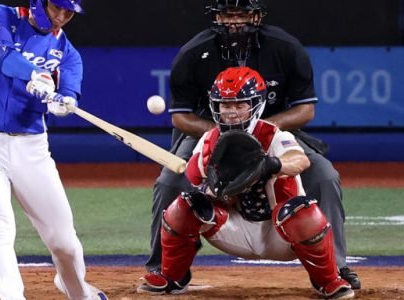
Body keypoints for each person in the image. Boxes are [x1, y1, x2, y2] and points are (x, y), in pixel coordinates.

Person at [140, 0, 360, 292]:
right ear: (215, 16)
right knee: (169, 182)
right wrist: (225, 138)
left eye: (241, 14)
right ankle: (162, 267)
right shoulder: (193, 54)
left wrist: (257, 132)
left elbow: (305, 111)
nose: (234, 21)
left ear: (256, 15)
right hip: (210, 130)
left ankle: (338, 266)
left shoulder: (285, 48)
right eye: (226, 14)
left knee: (324, 176)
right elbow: (181, 117)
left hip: (273, 129)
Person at [0, 1, 107, 299]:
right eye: (58, 7)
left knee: (63, 241)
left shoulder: (68, 54)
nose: (62, 17)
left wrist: (62, 101)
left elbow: (68, 91)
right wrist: (34, 74)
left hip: (32, 148)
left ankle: (76, 289)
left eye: (70, 13)